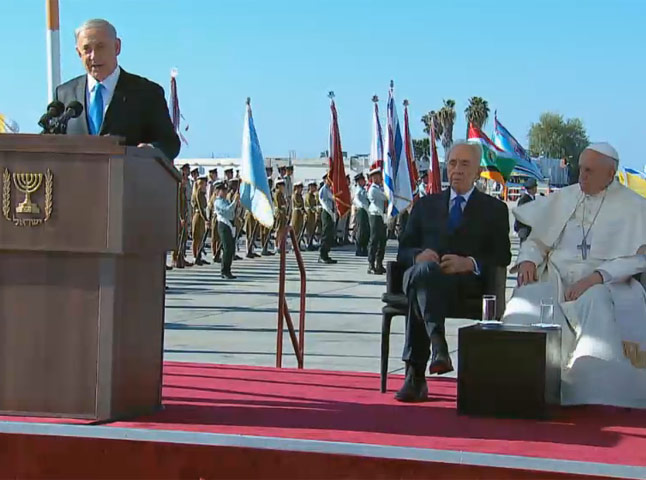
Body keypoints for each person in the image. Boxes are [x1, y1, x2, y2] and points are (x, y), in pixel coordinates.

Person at [505, 142, 646, 408]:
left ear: (610, 174)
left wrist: (596, 277)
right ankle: (521, 384)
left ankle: (589, 394)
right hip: (555, 277)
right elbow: (537, 241)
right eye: (580, 169)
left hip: (605, 282)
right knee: (526, 301)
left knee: (598, 306)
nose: (581, 176)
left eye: (589, 171)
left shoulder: (635, 207)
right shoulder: (565, 198)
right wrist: (528, 261)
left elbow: (637, 259)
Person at [395, 140, 511, 402]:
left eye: (465, 164)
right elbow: (403, 251)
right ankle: (438, 346)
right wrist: (418, 255)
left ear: (477, 170)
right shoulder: (425, 206)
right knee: (422, 273)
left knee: (419, 285)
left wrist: (469, 263)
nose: (457, 169)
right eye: (453, 163)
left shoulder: (494, 210)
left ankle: (415, 375)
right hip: (425, 278)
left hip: (462, 284)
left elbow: (502, 255)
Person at [55, 19, 180, 161]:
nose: (94, 56)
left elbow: (170, 143)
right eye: (87, 49)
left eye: (101, 47)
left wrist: (151, 151)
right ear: (79, 53)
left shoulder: (147, 93)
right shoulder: (64, 94)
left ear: (117, 47)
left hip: (129, 180)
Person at [214, 181, 240, 279]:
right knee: (227, 248)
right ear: (217, 191)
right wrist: (234, 201)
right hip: (223, 225)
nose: (225, 192)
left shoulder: (225, 200)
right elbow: (227, 210)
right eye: (222, 190)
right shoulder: (218, 201)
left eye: (225, 190)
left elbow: (232, 212)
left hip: (229, 225)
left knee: (230, 248)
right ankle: (224, 270)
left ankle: (228, 269)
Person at [366, 168, 388, 274]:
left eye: (378, 176)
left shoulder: (380, 188)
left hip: (381, 216)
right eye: (374, 177)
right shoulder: (373, 189)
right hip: (375, 216)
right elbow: (385, 197)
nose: (376, 178)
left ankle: (379, 263)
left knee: (382, 241)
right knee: (374, 240)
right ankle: (371, 265)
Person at [172, 164, 192, 268]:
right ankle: (176, 258)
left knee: (184, 237)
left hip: (185, 213)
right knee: (179, 237)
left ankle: (181, 257)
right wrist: (181, 218)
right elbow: (179, 203)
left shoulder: (184, 187)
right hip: (180, 216)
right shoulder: (179, 188)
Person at [190, 176, 210, 266]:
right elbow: (200, 208)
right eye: (204, 183)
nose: (206, 185)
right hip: (198, 216)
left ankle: (199, 255)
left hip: (202, 216)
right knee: (196, 237)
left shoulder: (202, 194)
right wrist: (205, 219)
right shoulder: (197, 193)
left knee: (201, 237)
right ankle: (195, 256)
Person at [318, 174, 337, 264]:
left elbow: (333, 198)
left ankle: (326, 254)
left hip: (330, 213)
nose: (330, 181)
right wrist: (330, 212)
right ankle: (322, 255)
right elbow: (323, 201)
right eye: (328, 179)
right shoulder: (323, 189)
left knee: (329, 233)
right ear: (325, 180)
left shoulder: (329, 189)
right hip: (326, 212)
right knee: (325, 233)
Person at [513, 178, 538, 243]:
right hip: (524, 228)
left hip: (531, 229)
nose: (536, 189)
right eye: (535, 188)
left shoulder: (533, 197)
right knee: (524, 249)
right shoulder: (524, 199)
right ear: (531, 189)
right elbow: (520, 215)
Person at [352, 173, 370, 257]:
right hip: (361, 210)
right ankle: (359, 248)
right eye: (363, 180)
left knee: (365, 229)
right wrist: (363, 206)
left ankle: (364, 247)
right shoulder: (358, 190)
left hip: (365, 210)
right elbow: (356, 200)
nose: (364, 181)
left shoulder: (363, 189)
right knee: (361, 230)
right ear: (359, 181)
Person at [304, 181, 318, 251]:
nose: (315, 188)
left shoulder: (313, 195)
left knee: (312, 229)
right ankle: (308, 243)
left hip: (312, 214)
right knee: (309, 229)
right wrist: (314, 210)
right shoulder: (308, 195)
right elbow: (309, 205)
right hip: (309, 213)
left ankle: (310, 243)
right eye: (313, 187)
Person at [291, 182, 306, 247]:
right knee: (296, 229)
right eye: (299, 188)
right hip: (296, 213)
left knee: (300, 228)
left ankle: (298, 244)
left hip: (300, 213)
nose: (301, 189)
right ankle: (294, 245)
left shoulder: (300, 196)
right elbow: (298, 204)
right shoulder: (295, 195)